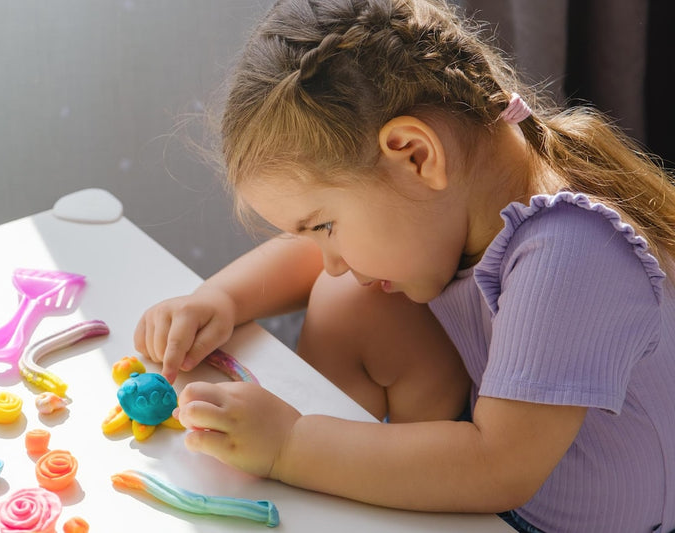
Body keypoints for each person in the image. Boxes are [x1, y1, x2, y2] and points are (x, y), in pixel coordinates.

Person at [134, 0, 675, 531]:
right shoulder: (470, 194)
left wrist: (290, 444)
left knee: (349, 294)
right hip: (495, 449)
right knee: (351, 298)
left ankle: (321, 464)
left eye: (325, 226)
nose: (331, 261)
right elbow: (310, 257)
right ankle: (333, 488)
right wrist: (219, 299)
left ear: (416, 155)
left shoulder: (569, 252)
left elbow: (500, 467)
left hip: (532, 506)